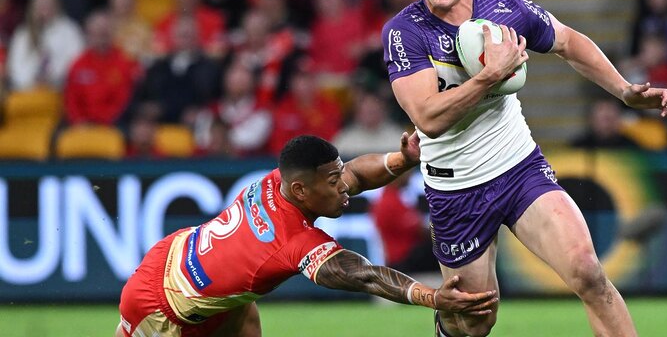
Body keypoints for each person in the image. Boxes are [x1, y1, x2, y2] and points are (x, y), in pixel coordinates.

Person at [382, 0, 667, 337]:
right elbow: (428, 119)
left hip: (519, 168)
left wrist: (624, 91)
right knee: (474, 321)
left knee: (588, 272)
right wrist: (489, 76)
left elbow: (568, 41)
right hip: (455, 189)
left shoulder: (506, 12)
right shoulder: (405, 33)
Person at [115, 133, 498, 337]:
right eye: (334, 182)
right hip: (161, 303)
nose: (343, 188)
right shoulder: (293, 242)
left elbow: (357, 175)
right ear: (301, 192)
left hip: (183, 261)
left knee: (245, 318)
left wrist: (404, 160)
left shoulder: (278, 182)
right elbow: (362, 274)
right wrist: (434, 298)